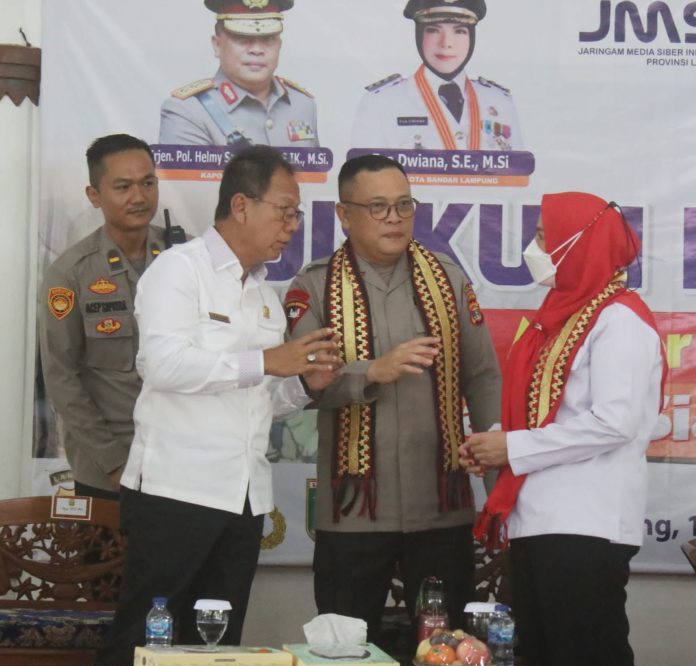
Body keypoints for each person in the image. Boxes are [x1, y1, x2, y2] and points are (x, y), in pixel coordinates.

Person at [95, 145, 339, 666]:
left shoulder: (265, 296)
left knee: (215, 650)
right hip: (175, 493)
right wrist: (266, 360)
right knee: (144, 643)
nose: (293, 226)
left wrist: (306, 384)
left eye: (296, 214)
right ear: (241, 205)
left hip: (243, 499)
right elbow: (163, 365)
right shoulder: (179, 270)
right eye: (285, 211)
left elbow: (261, 400)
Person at [284, 154, 501, 645]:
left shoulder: (447, 279)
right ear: (344, 214)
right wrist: (371, 372)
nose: (395, 219)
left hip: (440, 506)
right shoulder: (314, 286)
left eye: (404, 205)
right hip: (354, 513)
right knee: (342, 651)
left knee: (447, 651)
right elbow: (303, 387)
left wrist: (498, 483)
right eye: (378, 207)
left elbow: (484, 378)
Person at [459, 192, 666, 666]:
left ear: (580, 244)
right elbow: (544, 414)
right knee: (543, 660)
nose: (533, 248)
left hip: (588, 523)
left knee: (587, 659)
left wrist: (511, 447)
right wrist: (492, 443)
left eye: (543, 237)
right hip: (539, 520)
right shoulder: (560, 315)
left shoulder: (620, 320)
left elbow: (614, 421)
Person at [39, 133, 167, 500]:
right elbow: (61, 378)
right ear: (94, 195)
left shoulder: (186, 256)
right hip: (108, 466)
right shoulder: (70, 273)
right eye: (123, 187)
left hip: (179, 458)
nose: (139, 197)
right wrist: (113, 464)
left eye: (147, 183)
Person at [351, 0, 523, 151]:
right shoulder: (380, 103)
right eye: (433, 30)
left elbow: (519, 174)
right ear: (418, 35)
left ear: (472, 37)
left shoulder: (500, 102)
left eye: (459, 31)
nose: (446, 43)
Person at [159, 0, 319, 148]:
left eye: (268, 38)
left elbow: (315, 169)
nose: (257, 50)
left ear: (279, 45)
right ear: (217, 45)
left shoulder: (303, 105)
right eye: (242, 38)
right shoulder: (187, 111)